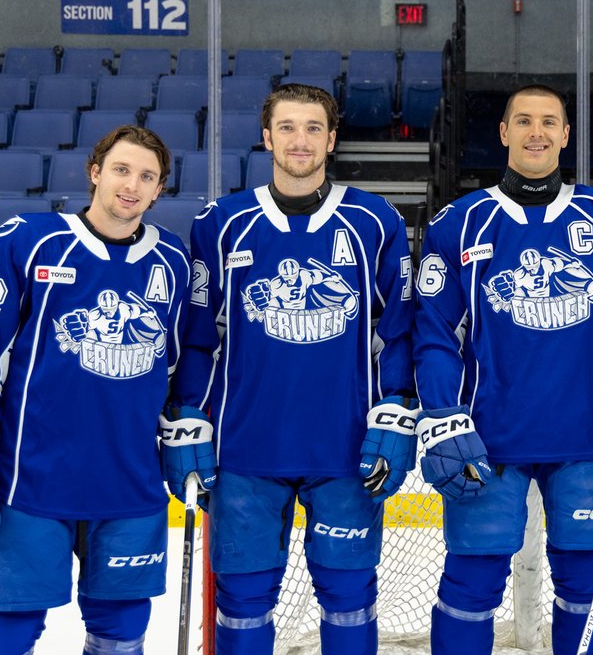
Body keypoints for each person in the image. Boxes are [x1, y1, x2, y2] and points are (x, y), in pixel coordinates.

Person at [414, 84, 593, 655]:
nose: (537, 132)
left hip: (586, 440)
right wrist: (444, 413)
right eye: (523, 121)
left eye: (549, 122)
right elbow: (434, 333)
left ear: (566, 136)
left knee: (586, 584)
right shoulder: (459, 224)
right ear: (503, 133)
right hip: (486, 441)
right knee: (471, 583)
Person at [169, 83, 416, 654]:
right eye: (286, 127)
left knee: (349, 594)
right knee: (244, 599)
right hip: (246, 449)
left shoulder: (374, 220)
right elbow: (200, 337)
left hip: (346, 448)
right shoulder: (220, 225)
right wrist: (187, 415)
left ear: (331, 140)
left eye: (312, 128)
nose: (299, 140)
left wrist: (397, 407)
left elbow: (397, 329)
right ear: (266, 137)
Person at [0, 125, 192, 655]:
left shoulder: (174, 262)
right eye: (121, 169)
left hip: (129, 484)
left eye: (147, 177)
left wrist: (184, 427)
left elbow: (179, 365)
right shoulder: (29, 240)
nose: (132, 185)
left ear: (159, 189)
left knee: (120, 634)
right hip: (30, 481)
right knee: (8, 634)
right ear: (95, 172)